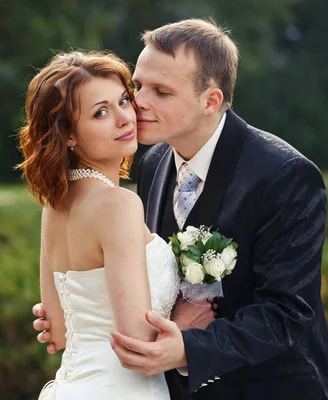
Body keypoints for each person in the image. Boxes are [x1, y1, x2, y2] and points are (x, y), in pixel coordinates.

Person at [33, 19, 328, 400]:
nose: (139, 104)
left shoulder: (285, 176)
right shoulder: (152, 164)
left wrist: (187, 348)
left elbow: (286, 312)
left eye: (161, 91)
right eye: (138, 86)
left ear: (211, 101)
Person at [17, 50, 214, 399]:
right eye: (100, 113)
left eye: (123, 100)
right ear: (69, 135)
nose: (125, 118)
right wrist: (185, 324)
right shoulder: (119, 204)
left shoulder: (55, 203)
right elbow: (136, 345)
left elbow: (58, 334)